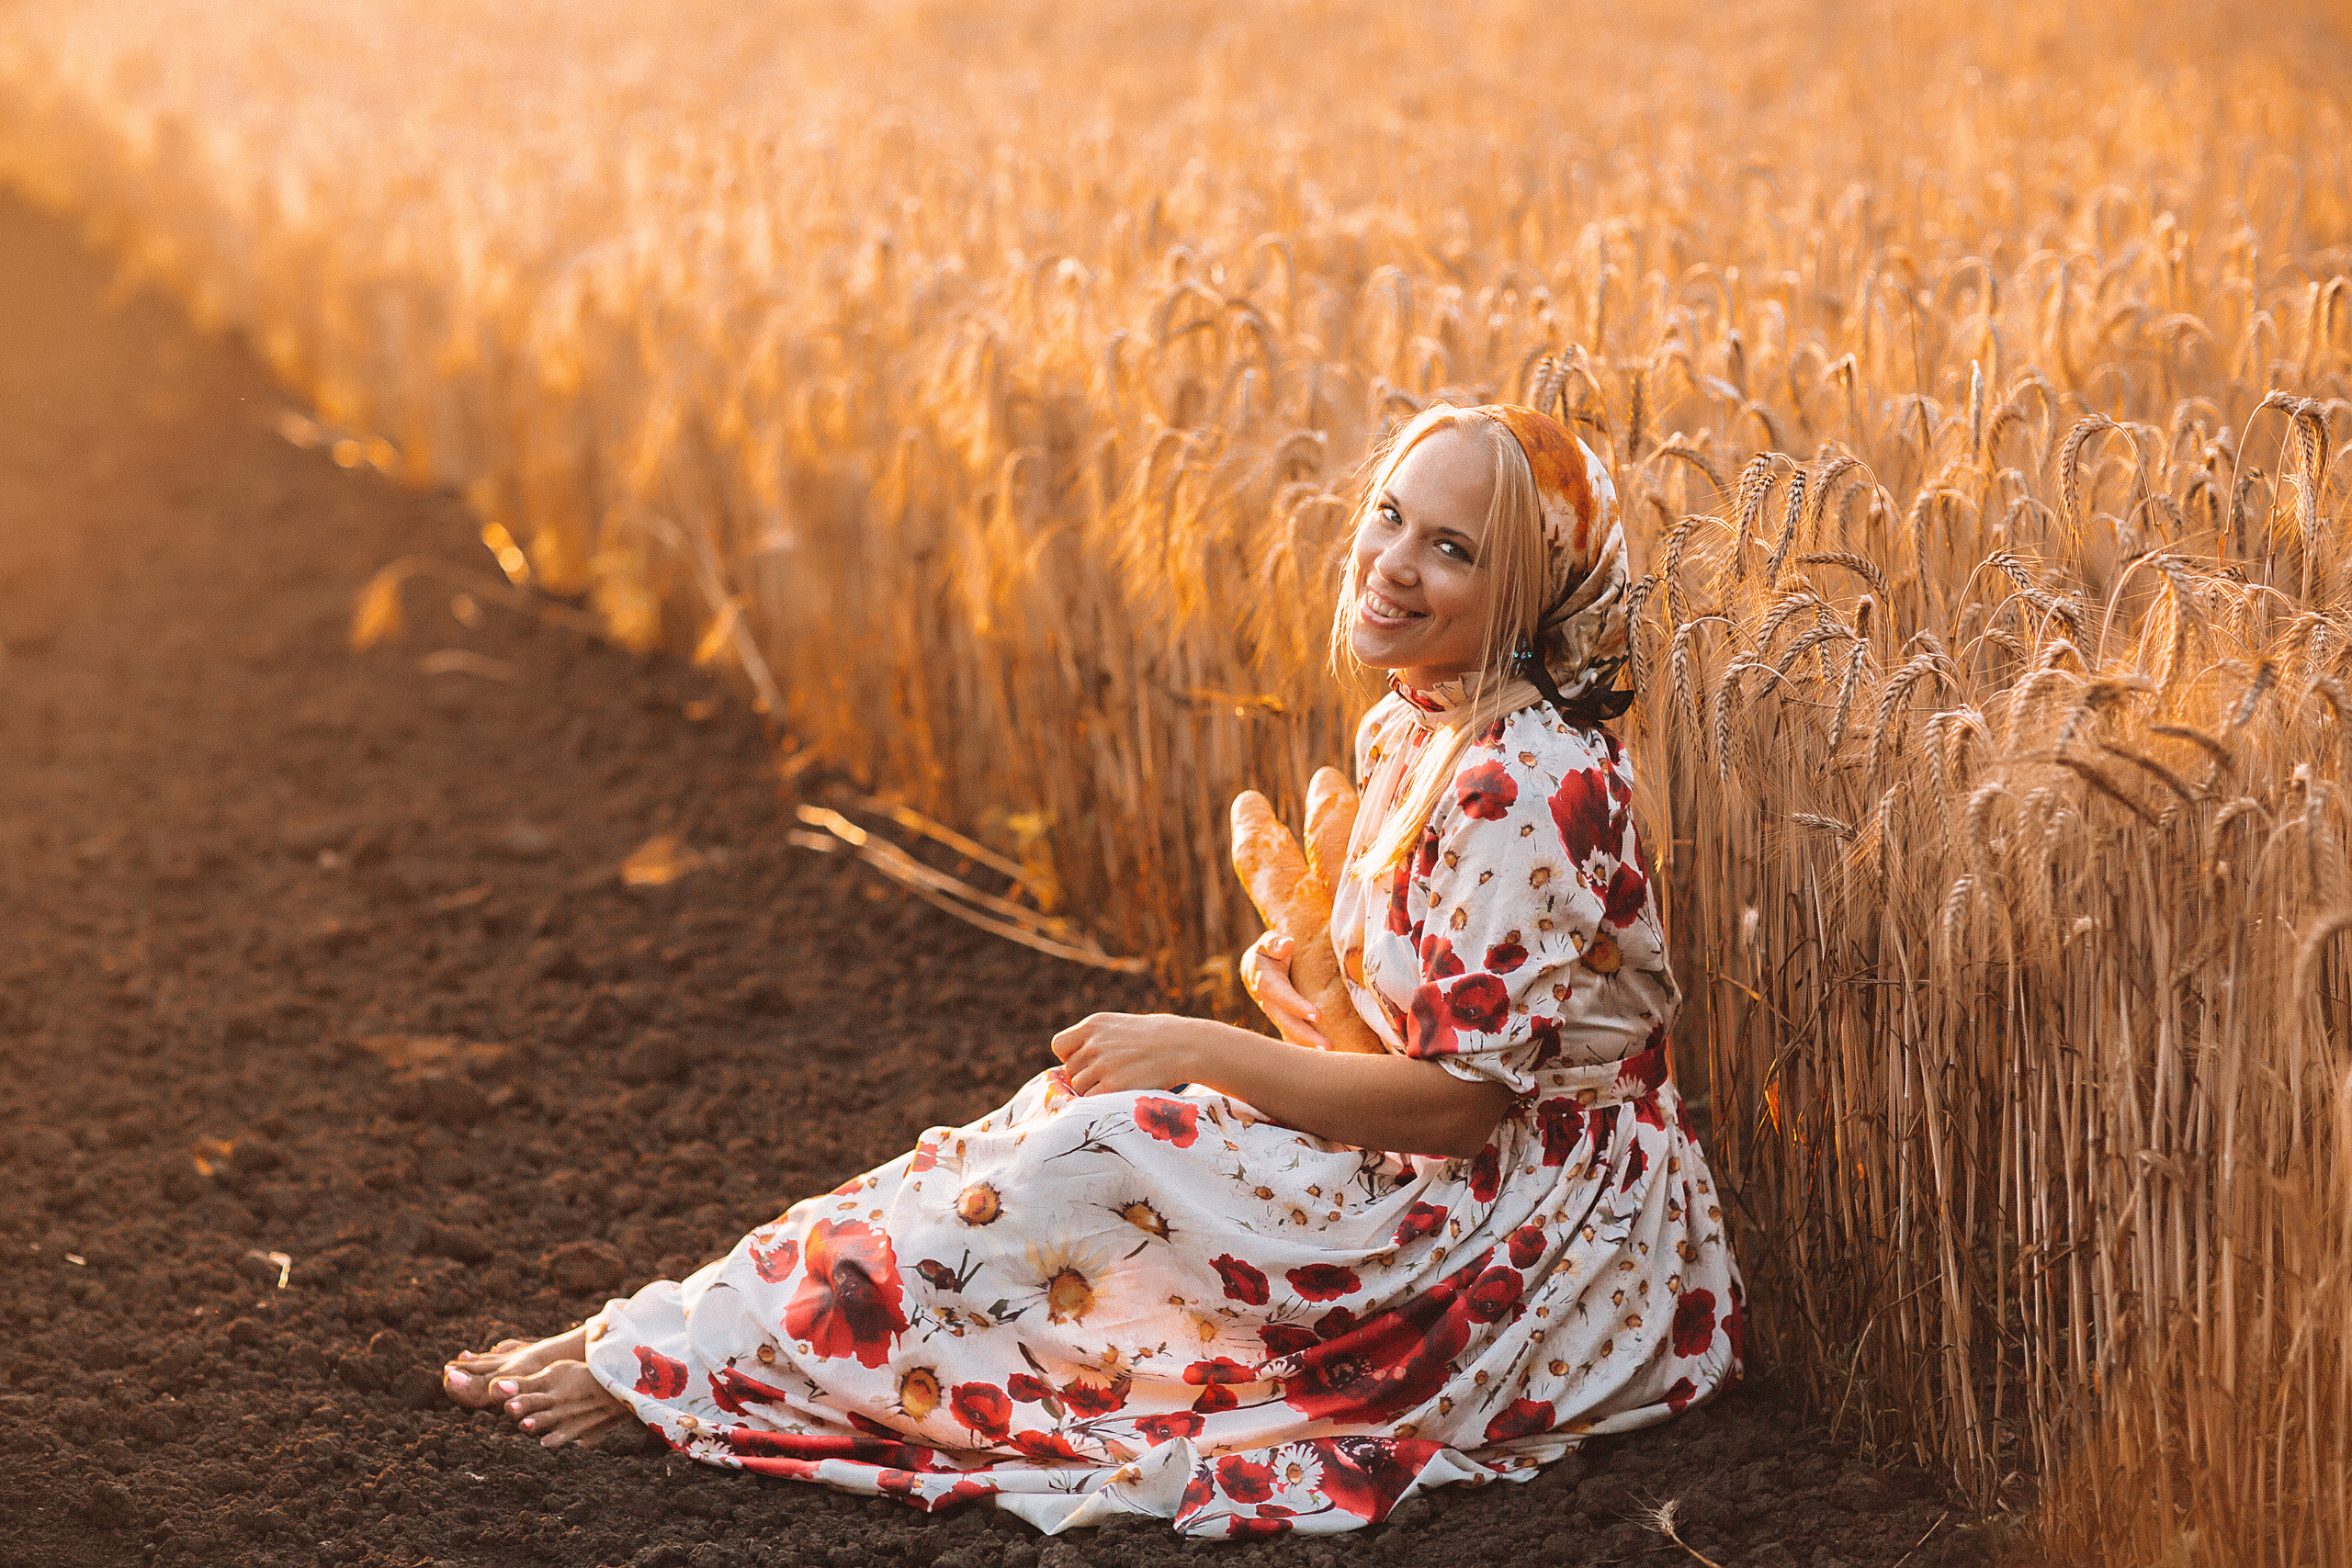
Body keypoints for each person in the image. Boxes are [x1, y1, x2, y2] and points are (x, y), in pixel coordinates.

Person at [441, 401, 1744, 1540]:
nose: (1394, 563)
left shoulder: (1528, 779)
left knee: (1100, 1151)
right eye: (1391, 515)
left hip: (1531, 1246)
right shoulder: (1420, 720)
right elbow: (1418, 1044)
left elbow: (1467, 1107)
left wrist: (1204, 1047)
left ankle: (683, 1369)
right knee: (1048, 1129)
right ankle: (679, 1341)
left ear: (1536, 597)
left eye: (1453, 549)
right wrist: (1313, 1004)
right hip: (1439, 1178)